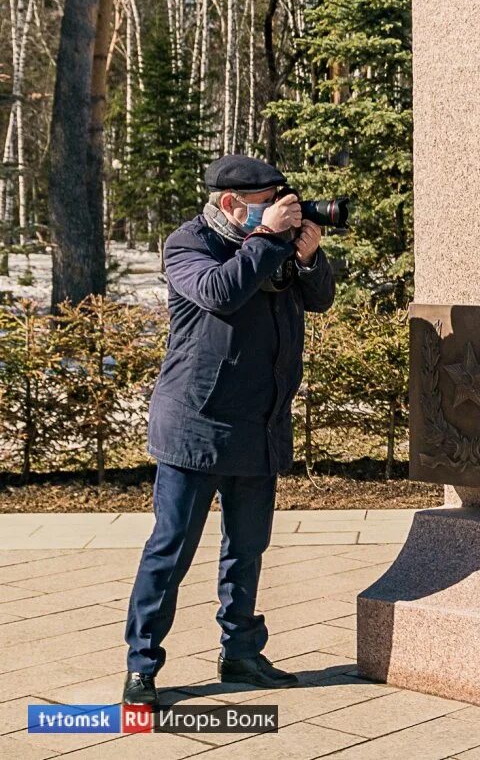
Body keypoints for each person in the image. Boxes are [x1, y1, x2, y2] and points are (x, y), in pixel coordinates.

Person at [123, 155, 336, 707]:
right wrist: (267, 236)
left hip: (260, 424)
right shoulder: (188, 245)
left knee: (247, 548)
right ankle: (142, 666)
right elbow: (221, 292)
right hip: (197, 424)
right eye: (269, 201)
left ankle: (240, 652)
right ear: (231, 204)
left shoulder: (275, 245)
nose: (280, 209)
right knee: (171, 550)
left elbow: (319, 299)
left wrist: (309, 259)